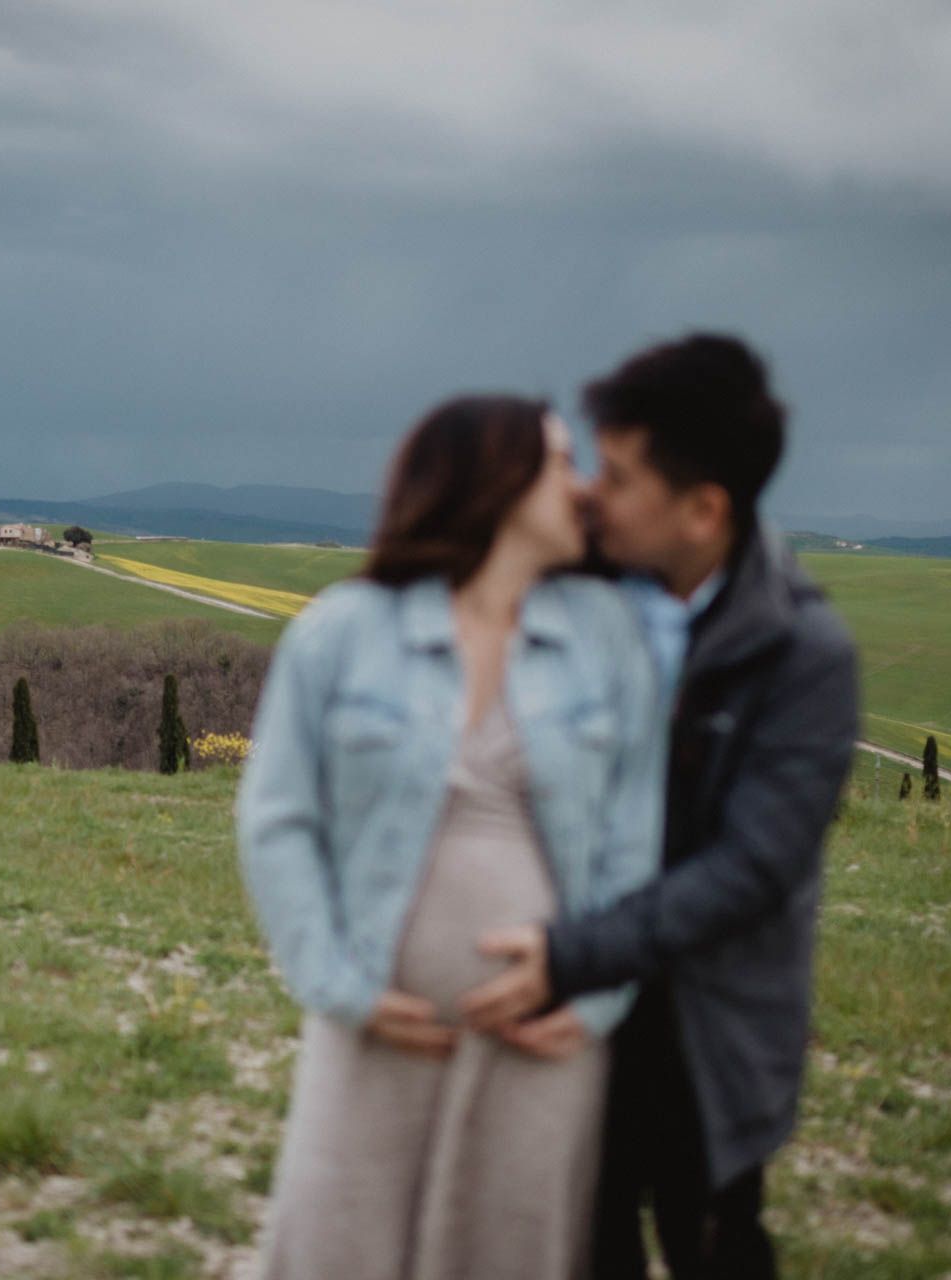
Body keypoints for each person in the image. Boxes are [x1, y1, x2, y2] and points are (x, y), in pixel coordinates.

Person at [236, 394, 665, 1279]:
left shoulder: (605, 640)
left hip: (540, 1035)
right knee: (339, 1245)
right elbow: (278, 821)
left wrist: (590, 997)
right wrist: (336, 984)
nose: (581, 488)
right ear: (495, 483)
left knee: (509, 1250)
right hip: (373, 1025)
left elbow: (635, 844)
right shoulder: (340, 634)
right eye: (557, 463)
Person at [457, 335, 860, 1278]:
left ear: (703, 510)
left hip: (705, 1027)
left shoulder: (804, 654)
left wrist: (574, 956)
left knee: (712, 1240)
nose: (593, 491)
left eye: (623, 474)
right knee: (578, 1243)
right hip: (565, 1012)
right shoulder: (564, 585)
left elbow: (755, 867)